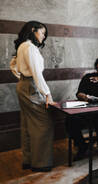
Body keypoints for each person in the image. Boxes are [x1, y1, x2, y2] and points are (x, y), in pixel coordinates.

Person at [10, 21, 56, 172]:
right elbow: (37, 74)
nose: (43, 37)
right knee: (44, 124)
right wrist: (47, 94)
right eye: (42, 33)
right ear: (33, 30)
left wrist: (22, 78)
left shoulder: (22, 46)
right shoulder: (30, 47)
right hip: (31, 86)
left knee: (27, 124)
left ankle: (28, 160)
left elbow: (13, 65)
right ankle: (41, 163)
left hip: (24, 85)